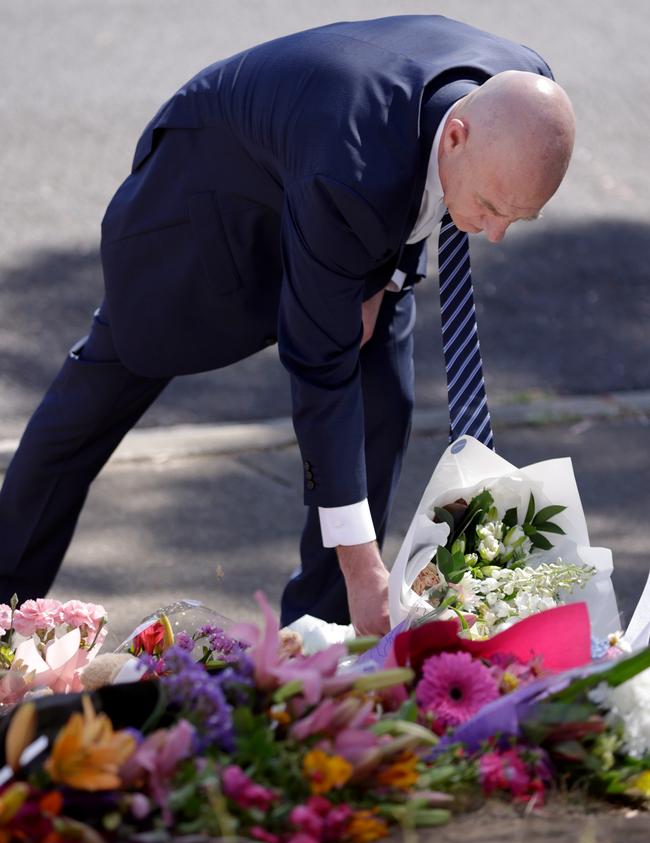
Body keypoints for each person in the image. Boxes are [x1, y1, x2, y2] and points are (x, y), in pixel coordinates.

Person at [0, 15, 575, 636]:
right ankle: (4, 611)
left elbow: (425, 180)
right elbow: (319, 368)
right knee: (93, 402)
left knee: (384, 406)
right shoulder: (351, 170)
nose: (494, 233)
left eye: (519, 218)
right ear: (457, 136)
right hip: (207, 216)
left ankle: (318, 642)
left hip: (347, 201)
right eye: (489, 208)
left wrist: (385, 278)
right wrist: (364, 566)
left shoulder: (524, 94)